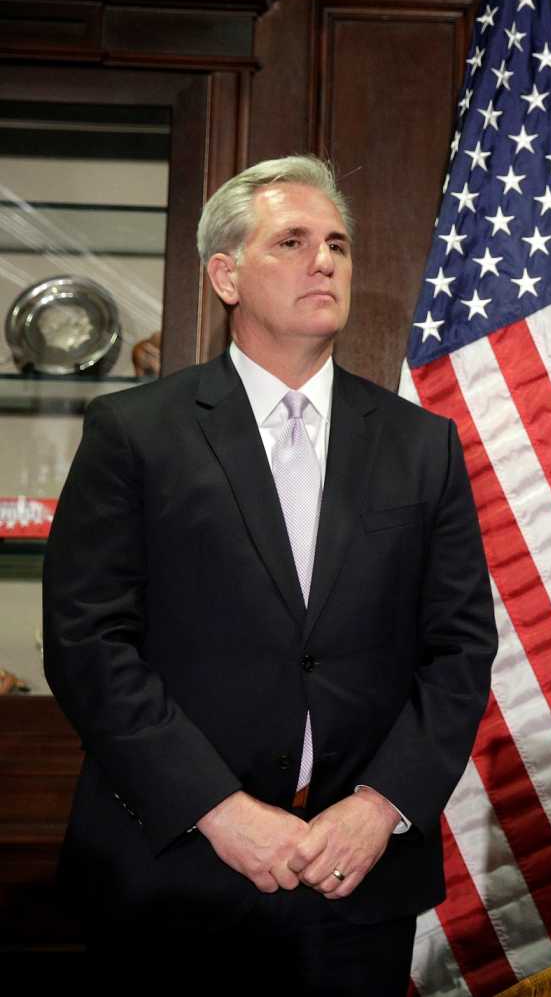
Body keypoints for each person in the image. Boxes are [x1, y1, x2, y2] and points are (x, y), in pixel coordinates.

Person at [43, 156, 497, 995]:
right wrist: (220, 809)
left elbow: (461, 650)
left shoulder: (419, 444)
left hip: (354, 883)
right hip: (172, 872)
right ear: (225, 275)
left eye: (337, 245)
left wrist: (377, 807)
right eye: (290, 241)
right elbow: (87, 644)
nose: (324, 260)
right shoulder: (134, 431)